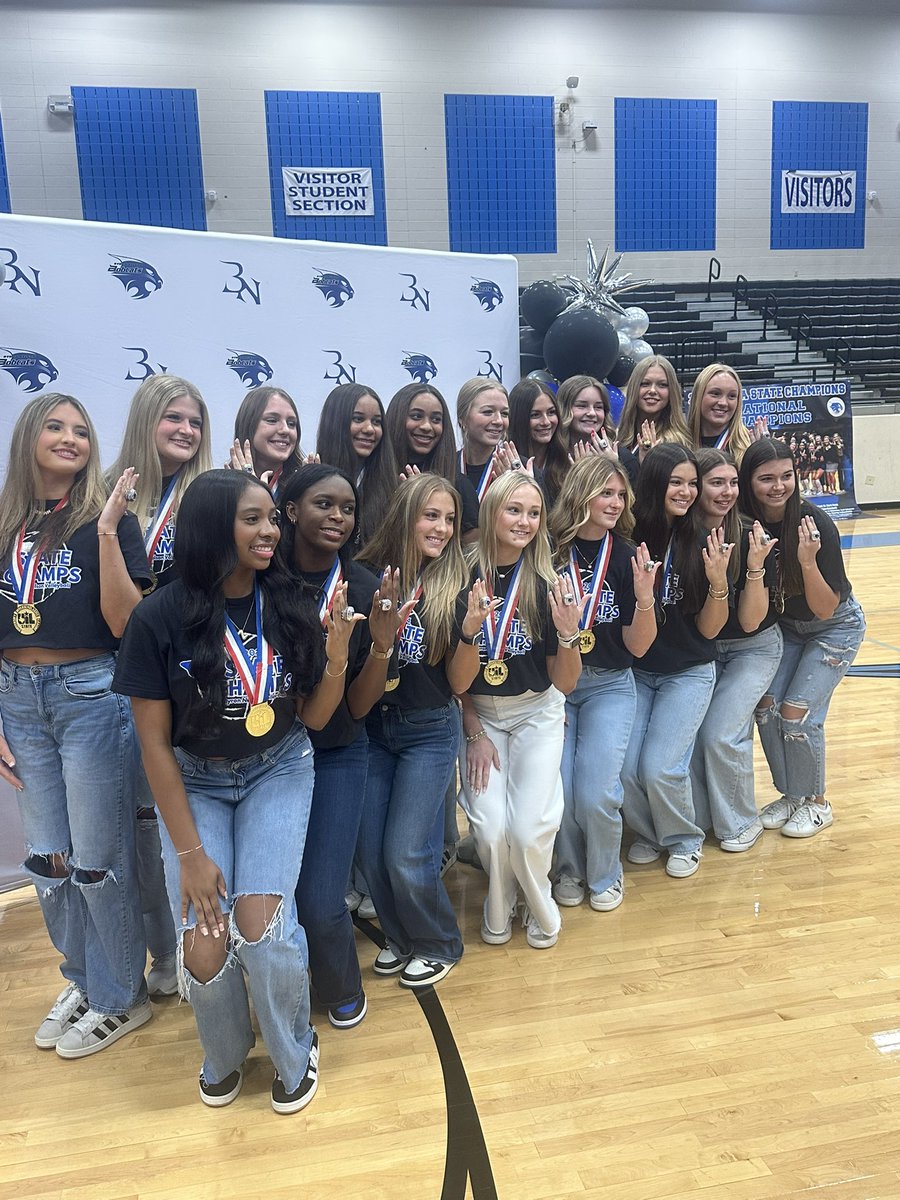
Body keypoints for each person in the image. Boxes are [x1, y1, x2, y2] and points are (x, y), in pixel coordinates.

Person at [113, 469, 354, 1111]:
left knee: (262, 925)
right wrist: (191, 857)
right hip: (194, 781)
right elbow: (154, 745)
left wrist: (338, 656)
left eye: (272, 517)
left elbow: (318, 717)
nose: (271, 530)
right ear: (214, 527)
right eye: (253, 519)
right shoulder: (158, 617)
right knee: (204, 942)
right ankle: (223, 1053)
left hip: (278, 766)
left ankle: (293, 1048)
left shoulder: (289, 598)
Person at [0, 393, 152, 1057]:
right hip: (15, 696)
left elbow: (127, 624)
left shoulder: (107, 519)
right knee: (49, 860)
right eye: (56, 427)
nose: (70, 438)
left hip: (89, 695)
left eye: (82, 431)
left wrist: (110, 531)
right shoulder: (3, 521)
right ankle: (85, 978)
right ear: (29, 435)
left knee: (97, 860)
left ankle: (123, 996)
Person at [280, 464, 410, 1029]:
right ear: (290, 511)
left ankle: (337, 983)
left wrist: (379, 647)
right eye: (323, 505)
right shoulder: (263, 578)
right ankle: (277, 987)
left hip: (337, 752)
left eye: (348, 508)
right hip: (268, 760)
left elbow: (358, 708)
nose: (338, 516)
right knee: (270, 895)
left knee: (320, 897)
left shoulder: (363, 587)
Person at [107, 372, 214, 996]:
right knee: (134, 832)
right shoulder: (106, 497)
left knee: (181, 825)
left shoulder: (206, 498)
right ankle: (158, 956)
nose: (185, 430)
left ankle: (194, 944)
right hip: (115, 678)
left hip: (188, 683)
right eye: (173, 418)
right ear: (146, 423)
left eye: (195, 421)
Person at [453, 470, 584, 949]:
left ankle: (535, 900)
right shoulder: (460, 572)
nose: (524, 522)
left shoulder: (551, 581)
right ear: (491, 513)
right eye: (514, 510)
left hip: (536, 712)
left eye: (533, 513)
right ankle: (503, 899)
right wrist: (471, 725)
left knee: (528, 831)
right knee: (489, 831)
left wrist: (569, 633)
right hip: (479, 714)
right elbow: (454, 678)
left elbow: (566, 683)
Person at [355, 473, 472, 987]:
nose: (442, 528)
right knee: (373, 851)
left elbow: (456, 681)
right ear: (405, 515)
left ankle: (439, 942)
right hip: (375, 727)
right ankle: (402, 939)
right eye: (431, 515)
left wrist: (469, 636)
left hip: (428, 727)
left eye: (449, 519)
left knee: (406, 850)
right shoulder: (365, 576)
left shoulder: (456, 583)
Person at [739, 439, 866, 837]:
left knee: (796, 714)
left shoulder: (816, 523)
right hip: (790, 629)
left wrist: (807, 561)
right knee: (766, 706)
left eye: (786, 476)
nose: (779, 486)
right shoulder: (742, 521)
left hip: (834, 626)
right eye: (766, 478)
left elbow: (826, 608)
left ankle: (817, 802)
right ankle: (792, 794)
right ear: (749, 482)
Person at [547, 455, 658, 912]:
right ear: (580, 493)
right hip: (556, 686)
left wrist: (646, 598)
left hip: (611, 683)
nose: (614, 502)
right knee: (564, 793)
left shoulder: (630, 557)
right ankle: (570, 871)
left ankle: (605, 874)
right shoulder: (549, 552)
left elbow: (638, 647)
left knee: (597, 794)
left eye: (619, 495)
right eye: (605, 493)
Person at [621, 444, 733, 878]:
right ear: (654, 483)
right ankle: (650, 833)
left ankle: (685, 839)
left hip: (688, 672)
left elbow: (709, 630)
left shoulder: (704, 541)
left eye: (692, 483)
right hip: (637, 672)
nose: (687, 492)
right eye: (676, 482)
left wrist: (718, 583)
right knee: (628, 769)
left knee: (661, 767)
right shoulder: (629, 540)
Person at [689, 449, 783, 852]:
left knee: (720, 733)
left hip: (754, 647)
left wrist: (755, 567)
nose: (727, 492)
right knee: (691, 735)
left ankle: (741, 820)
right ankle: (702, 820)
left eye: (732, 483)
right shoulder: (683, 535)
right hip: (706, 648)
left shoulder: (751, 534)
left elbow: (748, 622)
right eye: (716, 483)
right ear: (697, 488)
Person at [382, 383, 480, 540]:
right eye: (416, 416)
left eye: (436, 419)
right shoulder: (373, 479)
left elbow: (470, 558)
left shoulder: (460, 486)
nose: (427, 426)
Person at [314, 383, 397, 547]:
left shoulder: (393, 489)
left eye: (377, 422)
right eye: (358, 419)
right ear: (336, 423)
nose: (369, 429)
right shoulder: (311, 481)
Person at [616, 354, 690, 483]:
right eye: (645, 384)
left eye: (662, 385)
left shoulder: (676, 443)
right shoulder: (618, 437)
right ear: (634, 388)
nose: (652, 390)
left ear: (671, 391)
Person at [231, 385, 305, 498]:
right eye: (272, 420)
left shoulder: (302, 487)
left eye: (291, 423)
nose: (285, 430)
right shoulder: (223, 485)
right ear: (248, 425)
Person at [506, 377, 568, 505]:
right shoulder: (504, 464)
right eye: (535, 415)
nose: (546, 422)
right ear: (519, 418)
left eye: (551, 412)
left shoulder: (567, 462)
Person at [455, 378, 510, 506]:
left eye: (504, 413)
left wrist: (519, 487)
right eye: (488, 412)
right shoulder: (446, 467)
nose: (499, 421)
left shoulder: (519, 469)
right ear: (463, 419)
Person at [686, 362, 753, 462]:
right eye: (715, 393)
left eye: (732, 396)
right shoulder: (681, 443)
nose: (723, 403)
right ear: (698, 397)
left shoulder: (750, 447)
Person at [554, 374, 617, 456]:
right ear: (563, 409)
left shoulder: (623, 458)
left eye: (598, 407)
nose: (592, 413)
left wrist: (613, 465)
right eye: (582, 406)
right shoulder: (548, 456)